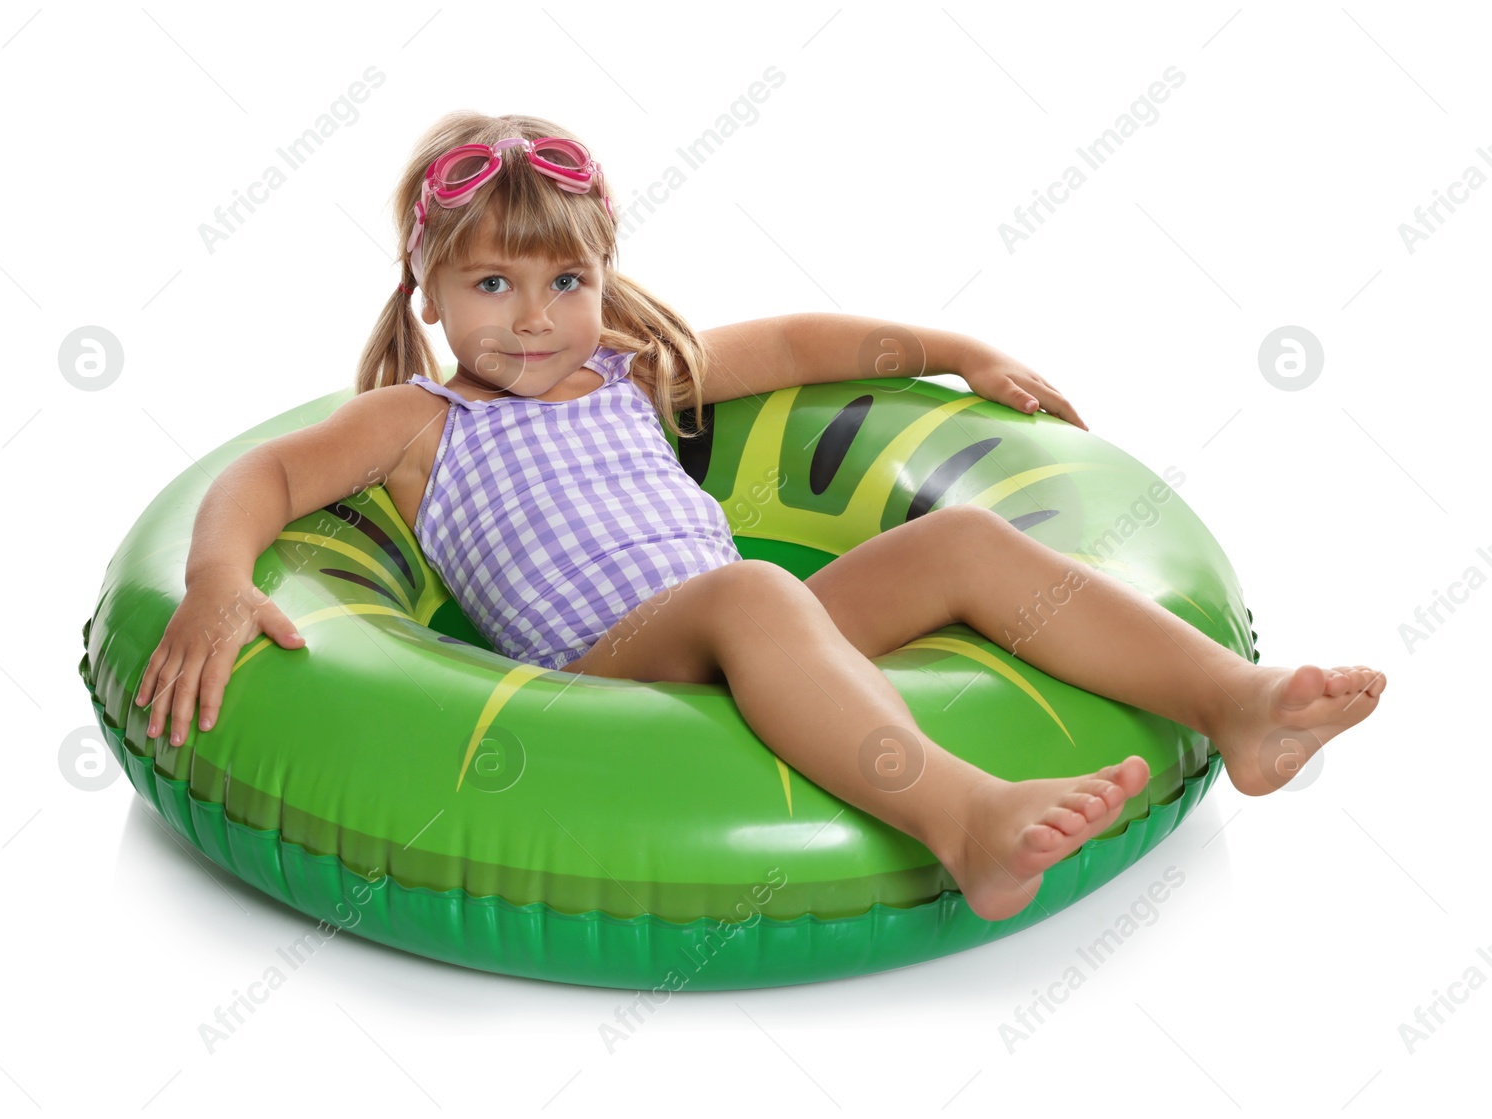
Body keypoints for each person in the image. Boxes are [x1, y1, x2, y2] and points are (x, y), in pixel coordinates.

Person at [134, 109, 1385, 923]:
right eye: (492, 283)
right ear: (429, 290)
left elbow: (798, 341)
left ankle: (1237, 706)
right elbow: (268, 481)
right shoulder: (416, 422)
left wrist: (960, 351)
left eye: (566, 279)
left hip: (749, 620)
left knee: (951, 542)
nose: (532, 315)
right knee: (749, 591)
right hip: (609, 666)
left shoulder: (629, 368)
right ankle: (961, 815)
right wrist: (217, 579)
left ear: (605, 274)